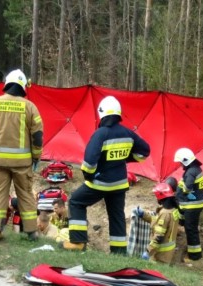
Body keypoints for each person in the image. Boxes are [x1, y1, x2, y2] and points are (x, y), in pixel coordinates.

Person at [61, 96, 150, 254]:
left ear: (101, 114)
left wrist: (89, 177)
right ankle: (119, 252)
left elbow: (89, 163)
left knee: (76, 201)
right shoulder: (128, 133)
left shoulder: (100, 134)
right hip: (120, 184)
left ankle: (78, 242)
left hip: (100, 183)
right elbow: (144, 152)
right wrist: (126, 158)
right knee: (117, 216)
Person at [0, 69, 43, 243]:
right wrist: (36, 157)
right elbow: (37, 136)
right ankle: (31, 232)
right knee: (25, 194)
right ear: (22, 86)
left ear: (7, 84)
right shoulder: (30, 107)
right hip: (22, 163)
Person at [174, 147, 203, 261]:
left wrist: (180, 185)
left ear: (185, 160)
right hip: (194, 204)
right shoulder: (196, 169)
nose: (180, 165)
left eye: (180, 162)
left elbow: (187, 188)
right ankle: (183, 221)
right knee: (190, 226)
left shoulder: (191, 172)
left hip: (192, 205)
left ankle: (194, 255)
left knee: (190, 229)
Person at [137, 183, 180, 264]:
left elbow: (159, 237)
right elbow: (160, 223)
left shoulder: (164, 214)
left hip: (160, 255)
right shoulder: (174, 210)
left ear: (160, 196)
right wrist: (144, 215)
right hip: (168, 253)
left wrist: (148, 251)